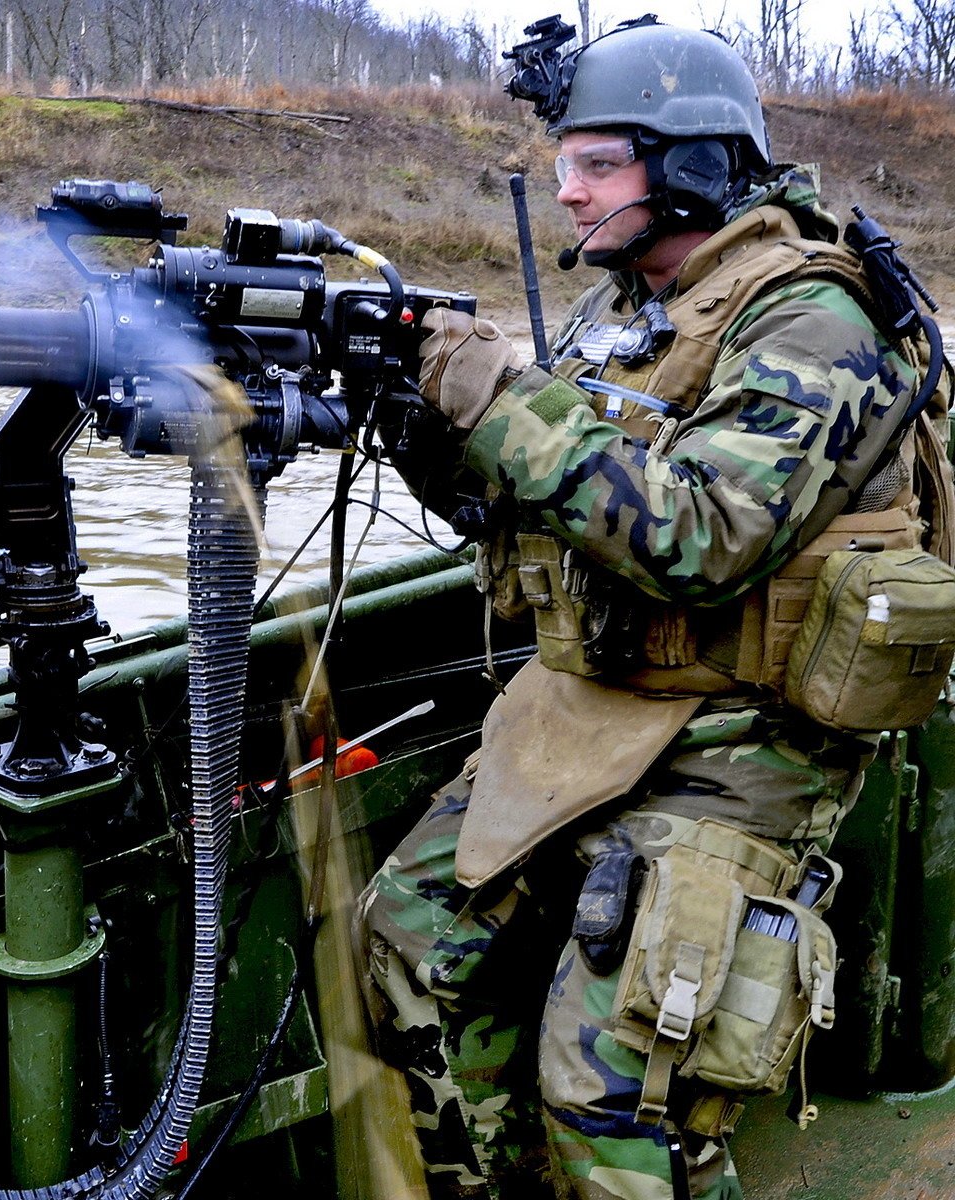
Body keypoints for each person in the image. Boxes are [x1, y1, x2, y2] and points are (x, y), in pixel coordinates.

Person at [361, 14, 954, 1200]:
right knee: (411, 943)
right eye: (564, 163)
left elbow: (696, 537)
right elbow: (542, 500)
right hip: (605, 706)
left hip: (750, 734)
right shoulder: (639, 309)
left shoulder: (810, 318)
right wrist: (422, 422)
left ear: (689, 168)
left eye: (596, 164)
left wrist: (493, 398)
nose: (567, 193)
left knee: (608, 1089)